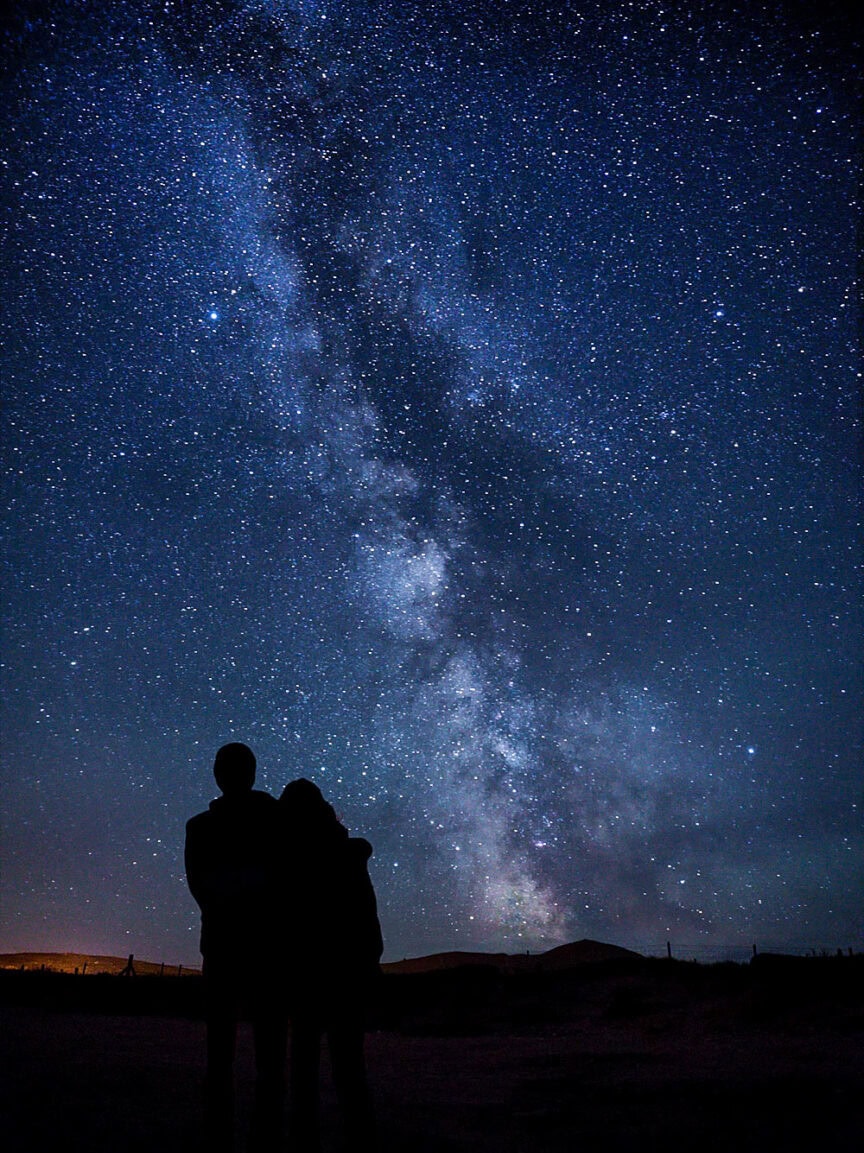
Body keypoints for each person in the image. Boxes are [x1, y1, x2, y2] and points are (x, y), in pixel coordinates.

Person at [185, 743, 285, 1151]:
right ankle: (266, 1134)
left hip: (224, 942)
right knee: (268, 1049)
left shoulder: (201, 827)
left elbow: (201, 887)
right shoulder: (276, 820)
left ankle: (220, 1133)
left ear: (218, 774)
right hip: (265, 945)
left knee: (221, 1049)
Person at [278, 778, 383, 1153]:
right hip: (346, 978)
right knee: (349, 1071)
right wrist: (367, 967)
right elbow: (368, 923)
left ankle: (305, 1143)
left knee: (303, 1074)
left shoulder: (289, 862)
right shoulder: (347, 858)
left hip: (307, 978)